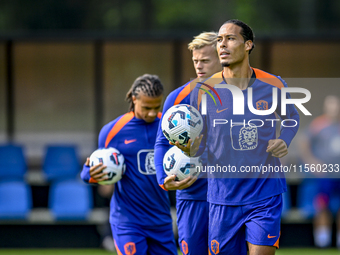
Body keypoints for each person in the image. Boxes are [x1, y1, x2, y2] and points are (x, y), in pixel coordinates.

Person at [177, 19, 300, 255]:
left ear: (248, 45)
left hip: (265, 192)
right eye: (219, 40)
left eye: (230, 38)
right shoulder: (203, 91)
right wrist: (189, 149)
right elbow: (199, 148)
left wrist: (284, 139)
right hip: (222, 197)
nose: (222, 45)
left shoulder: (274, 84)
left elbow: (292, 118)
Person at [80, 74, 177, 255]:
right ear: (134, 99)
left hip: (161, 220)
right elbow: (88, 171)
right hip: (128, 222)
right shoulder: (112, 131)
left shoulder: (169, 126)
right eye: (146, 107)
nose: (151, 113)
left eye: (156, 107)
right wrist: (91, 173)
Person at [154, 32, 221, 255]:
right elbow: (162, 143)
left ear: (221, 57)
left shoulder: (241, 95)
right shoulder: (177, 97)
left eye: (205, 60)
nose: (199, 66)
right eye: (195, 61)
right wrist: (164, 179)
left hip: (230, 196)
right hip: (192, 194)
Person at [299, 95, 340, 248]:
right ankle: (322, 241)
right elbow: (303, 143)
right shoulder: (317, 125)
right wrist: (312, 162)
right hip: (325, 176)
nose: (334, 109)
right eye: (331, 105)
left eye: (336, 105)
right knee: (322, 205)